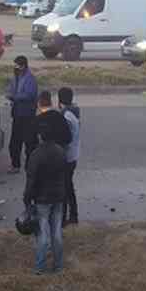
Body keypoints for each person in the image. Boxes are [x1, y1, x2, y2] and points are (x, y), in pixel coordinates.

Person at [24, 119, 68, 275]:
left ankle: (39, 267)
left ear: (40, 137)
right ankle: (58, 266)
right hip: (58, 197)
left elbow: (31, 180)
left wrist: (27, 200)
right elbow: (65, 176)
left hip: (42, 199)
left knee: (43, 234)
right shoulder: (60, 151)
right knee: (57, 233)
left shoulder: (36, 155)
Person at [6, 55, 38, 173]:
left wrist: (15, 97)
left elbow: (30, 95)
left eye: (17, 66)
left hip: (28, 115)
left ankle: (31, 166)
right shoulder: (16, 77)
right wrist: (10, 94)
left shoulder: (30, 79)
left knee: (30, 143)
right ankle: (15, 165)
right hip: (17, 114)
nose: (15, 69)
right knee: (14, 142)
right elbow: (10, 88)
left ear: (23, 66)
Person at [59, 87, 81, 226]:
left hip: (67, 156)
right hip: (74, 154)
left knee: (64, 188)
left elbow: (65, 138)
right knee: (69, 187)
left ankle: (65, 218)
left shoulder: (66, 116)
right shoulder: (74, 112)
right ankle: (73, 215)